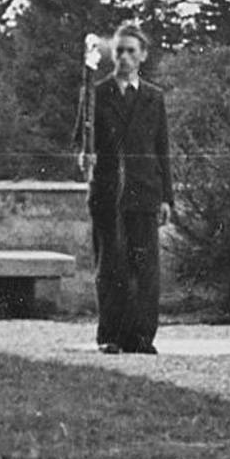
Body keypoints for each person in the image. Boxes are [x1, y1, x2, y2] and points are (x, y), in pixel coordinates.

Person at [74, 24, 173, 355]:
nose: (125, 57)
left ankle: (142, 337)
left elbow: (162, 150)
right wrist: (84, 155)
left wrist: (167, 198)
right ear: (111, 55)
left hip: (144, 191)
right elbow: (81, 138)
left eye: (132, 50)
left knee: (144, 269)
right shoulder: (96, 94)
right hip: (107, 192)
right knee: (112, 266)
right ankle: (111, 336)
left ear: (143, 55)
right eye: (119, 51)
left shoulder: (153, 97)